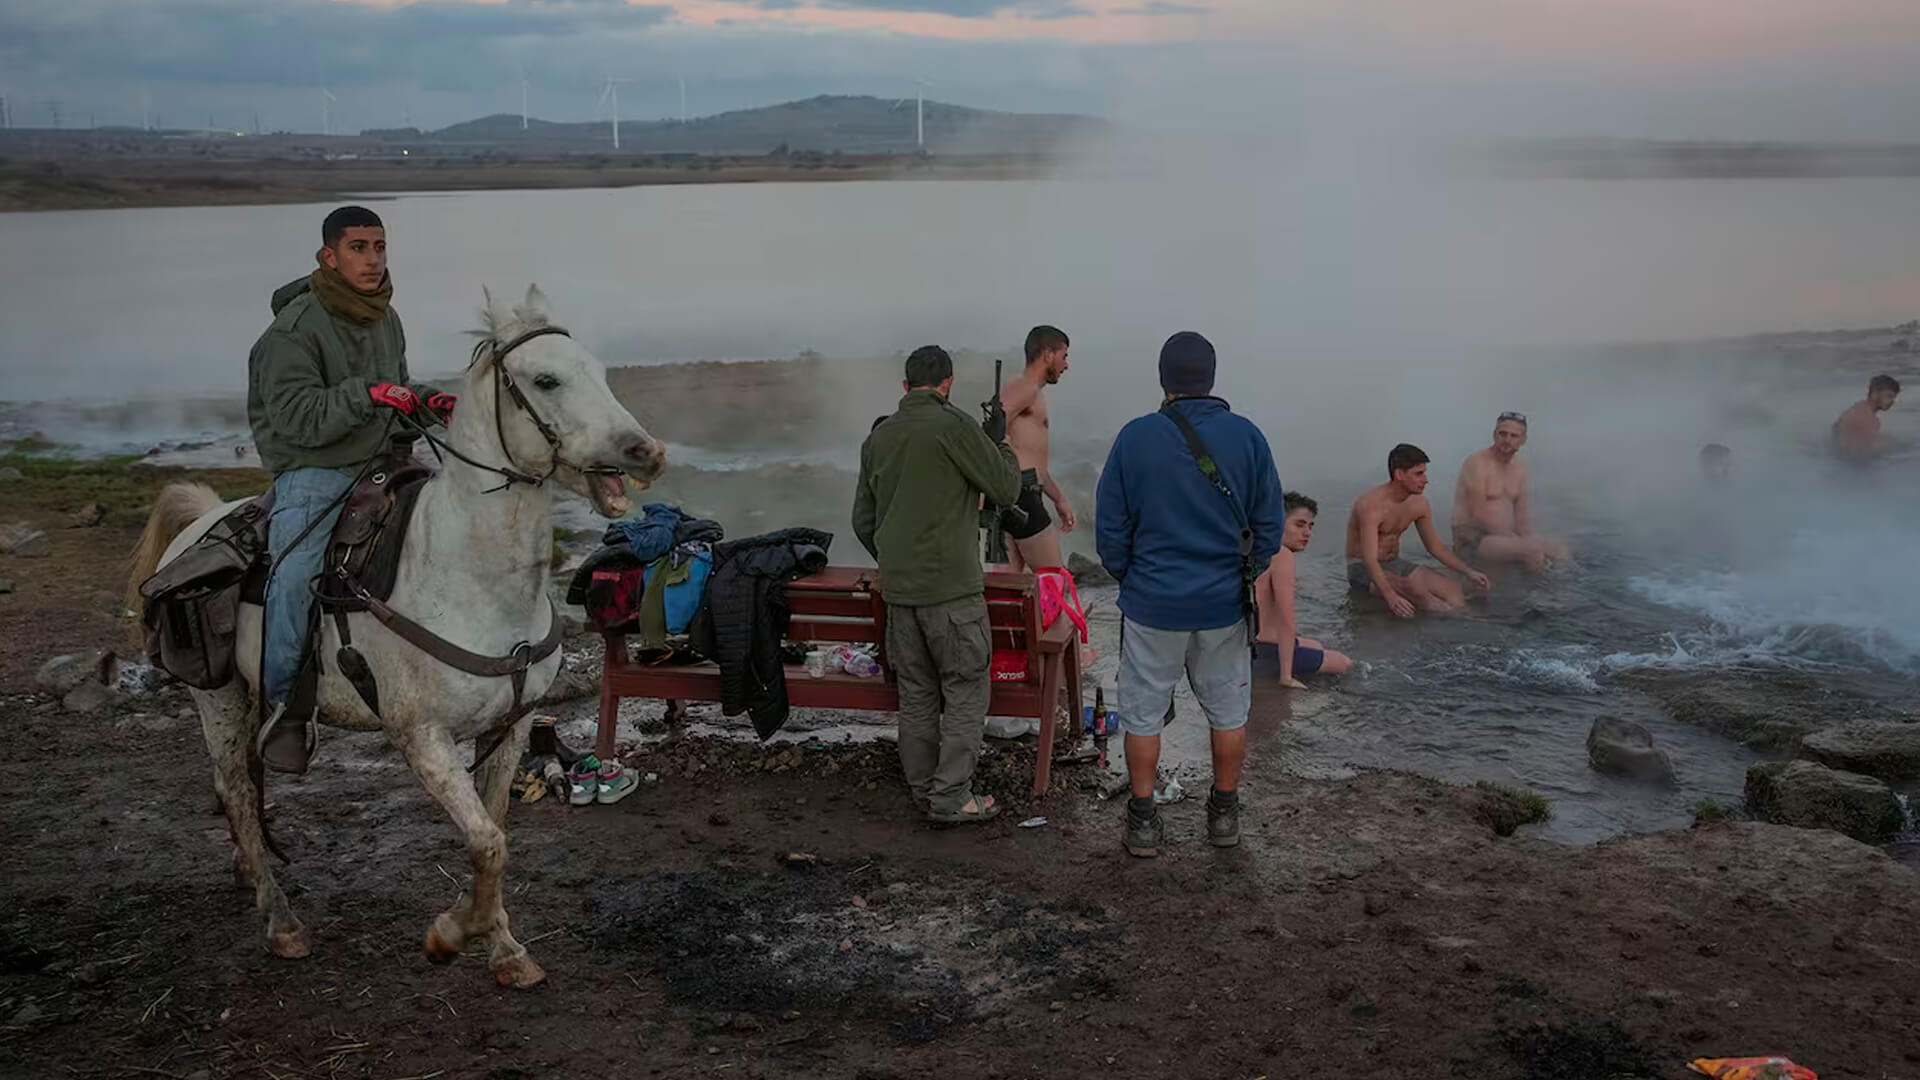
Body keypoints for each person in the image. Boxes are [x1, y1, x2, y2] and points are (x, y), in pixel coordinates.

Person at [248, 206, 451, 774]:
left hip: (386, 460)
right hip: (318, 469)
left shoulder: (385, 316)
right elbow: (295, 420)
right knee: (294, 572)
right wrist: (370, 395)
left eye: (380, 246)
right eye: (358, 247)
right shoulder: (292, 330)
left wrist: (430, 403)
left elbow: (398, 391)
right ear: (328, 256)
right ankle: (286, 704)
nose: (373, 258)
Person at [1096, 331, 1285, 857]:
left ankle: (1142, 823)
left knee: (1142, 714)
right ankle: (1223, 815)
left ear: (1163, 379)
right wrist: (1244, 575)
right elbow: (1269, 525)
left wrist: (1132, 577)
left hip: (1153, 603)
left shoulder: (1135, 438)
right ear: (1211, 377)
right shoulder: (1247, 437)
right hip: (1224, 605)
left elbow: (1111, 528)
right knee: (1228, 712)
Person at [853, 345, 1022, 825]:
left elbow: (862, 521)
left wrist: (896, 562)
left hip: (902, 597)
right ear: (948, 383)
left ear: (905, 386)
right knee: (967, 690)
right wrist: (1001, 444)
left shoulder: (879, 438)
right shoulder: (955, 426)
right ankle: (951, 798)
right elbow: (1006, 490)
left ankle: (924, 789)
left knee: (918, 695)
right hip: (952, 596)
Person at [1346, 443, 1490, 618]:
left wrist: (1469, 572)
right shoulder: (1370, 506)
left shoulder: (1419, 504)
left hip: (1394, 562)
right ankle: (1465, 620)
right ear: (1399, 474)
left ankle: (1464, 614)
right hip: (1362, 568)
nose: (1425, 480)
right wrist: (1391, 596)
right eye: (1418, 474)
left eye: (1424, 473)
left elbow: (1435, 548)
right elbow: (1369, 560)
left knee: (1453, 589)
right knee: (1415, 591)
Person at [1450, 411, 1573, 572]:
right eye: (1502, 434)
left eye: (1514, 436)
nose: (1507, 440)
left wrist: (1530, 537)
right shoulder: (1478, 463)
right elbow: (1479, 514)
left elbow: (1522, 515)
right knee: (1533, 551)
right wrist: (1517, 540)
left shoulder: (1521, 467)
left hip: (1503, 537)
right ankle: (1534, 595)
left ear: (1523, 440)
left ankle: (1562, 593)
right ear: (1494, 435)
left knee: (1559, 549)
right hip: (1473, 538)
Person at [997, 325, 1075, 571]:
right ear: (1047, 354)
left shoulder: (1030, 391)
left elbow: (1030, 462)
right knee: (1054, 584)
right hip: (1022, 498)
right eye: (1064, 356)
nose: (1066, 365)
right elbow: (992, 429)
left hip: (1014, 497)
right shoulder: (1025, 387)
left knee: (1010, 593)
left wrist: (1058, 498)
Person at [1254, 493, 1352, 687]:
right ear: (1277, 522)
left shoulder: (1256, 549)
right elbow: (1286, 618)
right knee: (1344, 663)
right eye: (1299, 525)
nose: (1307, 533)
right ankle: (1280, 680)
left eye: (1310, 526)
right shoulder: (1282, 555)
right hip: (1262, 653)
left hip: (1244, 648)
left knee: (1315, 645)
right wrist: (1286, 676)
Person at [1831, 374, 1901, 462]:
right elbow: (1861, 454)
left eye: (1894, 398)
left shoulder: (1859, 407)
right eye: (1889, 396)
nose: (1892, 401)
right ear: (1875, 393)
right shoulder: (1869, 418)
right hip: (1850, 466)